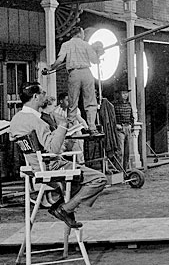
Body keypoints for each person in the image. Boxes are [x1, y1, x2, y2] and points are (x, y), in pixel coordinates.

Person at [9, 82, 107, 228]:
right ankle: (64, 209)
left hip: (35, 166)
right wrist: (62, 125)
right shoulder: (36, 121)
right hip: (51, 166)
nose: (46, 96)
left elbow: (31, 141)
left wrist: (56, 133)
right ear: (35, 97)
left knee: (74, 185)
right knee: (99, 179)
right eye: (43, 93)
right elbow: (53, 149)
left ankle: (62, 206)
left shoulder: (16, 119)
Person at [45, 27, 102, 135]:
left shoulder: (66, 45)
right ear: (80, 34)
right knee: (90, 101)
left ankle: (70, 125)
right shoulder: (86, 45)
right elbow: (95, 61)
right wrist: (98, 53)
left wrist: (51, 68)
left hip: (74, 73)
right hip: (86, 72)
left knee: (72, 100)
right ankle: (92, 127)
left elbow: (60, 60)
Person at [53, 92, 87, 163]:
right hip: (64, 137)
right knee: (58, 153)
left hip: (75, 135)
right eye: (67, 100)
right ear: (61, 101)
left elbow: (80, 119)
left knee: (79, 154)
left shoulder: (75, 109)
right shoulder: (56, 111)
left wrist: (86, 126)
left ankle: (81, 167)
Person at [113, 85, 134, 170]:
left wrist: (131, 125)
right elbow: (112, 118)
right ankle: (119, 171)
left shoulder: (129, 104)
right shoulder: (115, 105)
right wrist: (116, 125)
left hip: (127, 128)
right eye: (123, 93)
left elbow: (131, 117)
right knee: (120, 151)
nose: (125, 95)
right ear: (119, 94)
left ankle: (125, 170)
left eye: (126, 93)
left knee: (127, 152)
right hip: (120, 129)